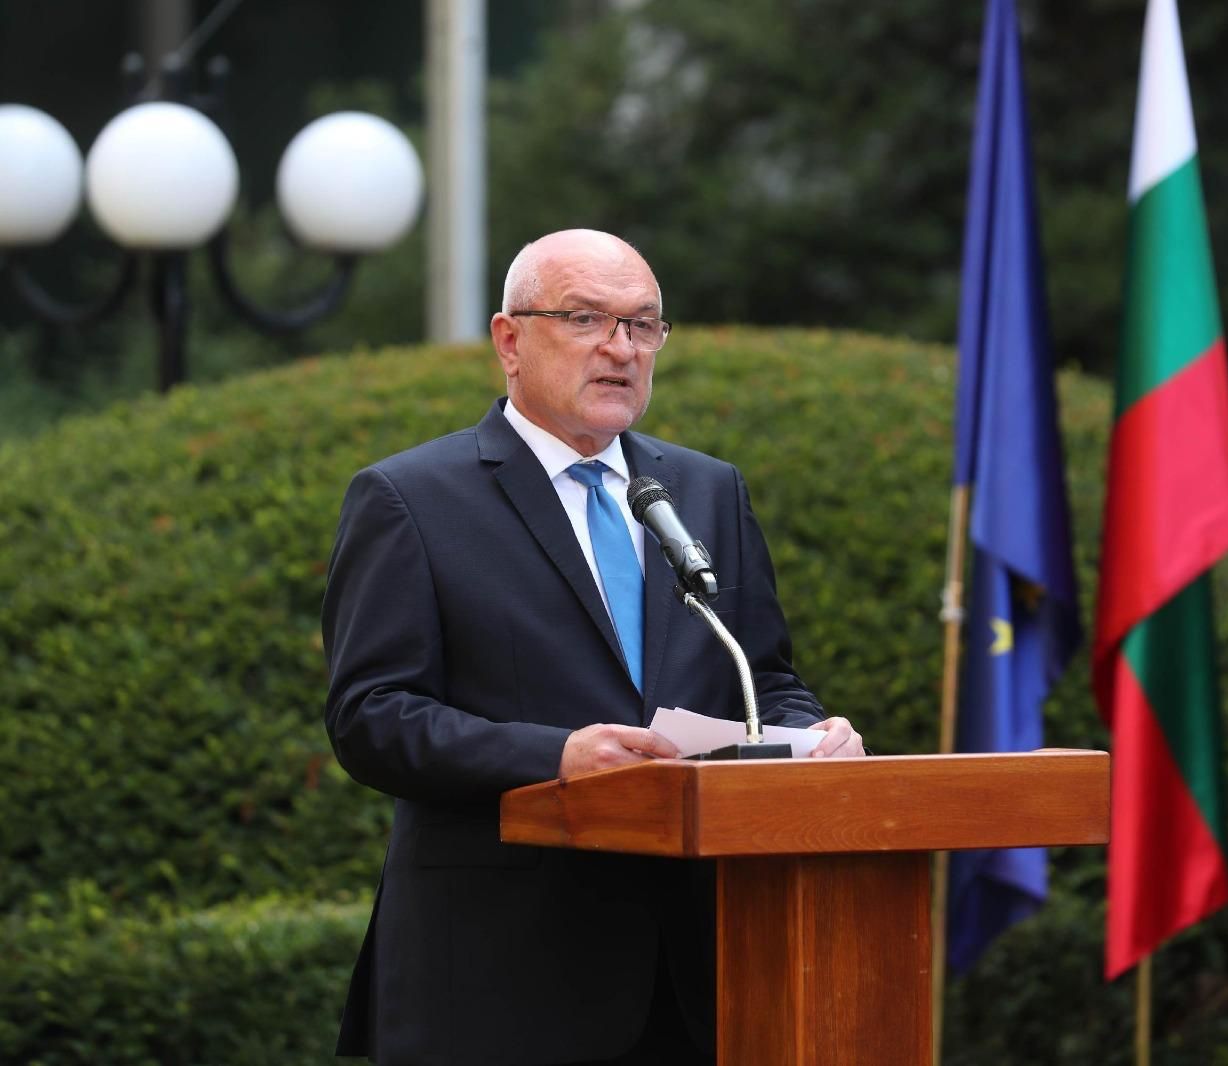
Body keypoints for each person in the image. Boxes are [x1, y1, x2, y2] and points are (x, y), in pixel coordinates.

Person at [322, 229, 864, 1065]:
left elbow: (761, 677)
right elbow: (371, 718)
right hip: (501, 981)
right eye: (585, 319)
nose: (621, 349)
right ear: (510, 341)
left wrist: (813, 736)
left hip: (697, 976)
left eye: (643, 325)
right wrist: (557, 756)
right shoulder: (410, 499)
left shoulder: (705, 490)